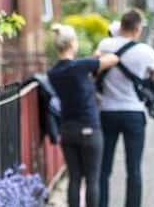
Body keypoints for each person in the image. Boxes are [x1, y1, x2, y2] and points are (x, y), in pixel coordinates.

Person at [96, 9, 154, 207]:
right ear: (137, 28)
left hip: (107, 112)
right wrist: (144, 81)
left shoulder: (104, 45)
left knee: (104, 168)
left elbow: (96, 69)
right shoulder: (145, 51)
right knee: (133, 169)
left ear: (121, 25)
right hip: (134, 113)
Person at [48, 24, 119, 207]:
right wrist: (98, 55)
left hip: (68, 129)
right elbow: (113, 59)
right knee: (92, 180)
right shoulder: (81, 66)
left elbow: (78, 80)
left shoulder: (53, 72)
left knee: (74, 178)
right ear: (72, 43)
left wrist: (91, 62)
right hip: (89, 128)